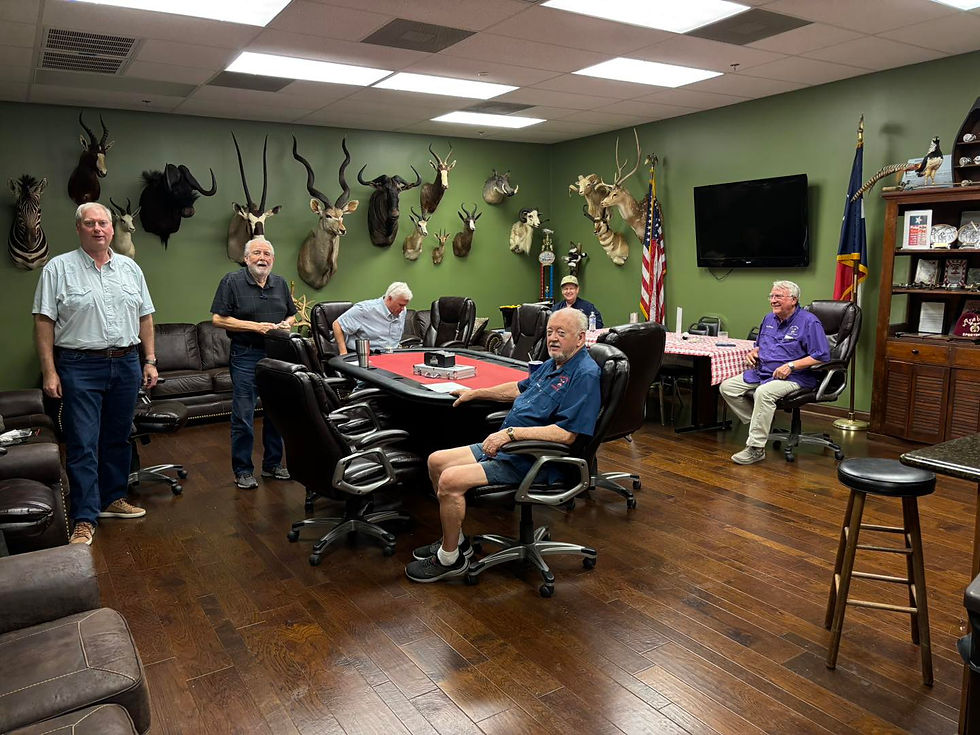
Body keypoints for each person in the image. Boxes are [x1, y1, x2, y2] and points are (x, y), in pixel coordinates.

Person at [405, 308, 601, 583]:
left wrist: (510, 434)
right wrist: (475, 393)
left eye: (561, 333)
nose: (552, 339)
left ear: (580, 338)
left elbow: (567, 434)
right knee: (436, 460)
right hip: (512, 448)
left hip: (536, 460)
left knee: (450, 480)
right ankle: (457, 542)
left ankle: (449, 560)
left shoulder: (585, 374)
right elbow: (519, 389)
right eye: (549, 333)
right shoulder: (553, 363)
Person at [32, 202, 158, 546]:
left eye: (104, 223)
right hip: (79, 365)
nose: (98, 228)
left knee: (118, 438)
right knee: (83, 443)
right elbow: (44, 322)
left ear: (113, 229)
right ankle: (85, 517)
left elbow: (145, 317)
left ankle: (112, 498)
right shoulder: (58, 269)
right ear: (79, 229)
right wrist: (49, 371)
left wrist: (149, 359)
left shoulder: (131, 269)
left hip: (126, 363)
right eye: (90, 223)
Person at [211, 238, 296, 489]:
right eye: (257, 253)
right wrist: (255, 327)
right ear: (246, 258)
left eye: (267, 254)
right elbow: (218, 319)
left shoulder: (279, 283)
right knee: (244, 415)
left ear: (273, 259)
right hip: (246, 354)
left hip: (276, 354)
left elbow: (291, 313)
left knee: (276, 413)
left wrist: (287, 324)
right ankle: (243, 470)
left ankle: (272, 465)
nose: (263, 258)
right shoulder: (232, 281)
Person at [720, 280, 830, 465]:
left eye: (778, 296)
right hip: (763, 372)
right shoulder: (768, 318)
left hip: (795, 376)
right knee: (727, 387)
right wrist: (754, 352)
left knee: (763, 393)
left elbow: (822, 356)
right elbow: (760, 345)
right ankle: (761, 423)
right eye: (771, 296)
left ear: (793, 300)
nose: (773, 300)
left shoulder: (809, 322)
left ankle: (756, 448)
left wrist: (792, 365)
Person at [333, 281, 413, 354]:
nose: (403, 309)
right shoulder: (365, 309)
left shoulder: (402, 311)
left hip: (391, 355)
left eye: (405, 305)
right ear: (389, 298)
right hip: (364, 355)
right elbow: (337, 325)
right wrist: (343, 353)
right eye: (400, 305)